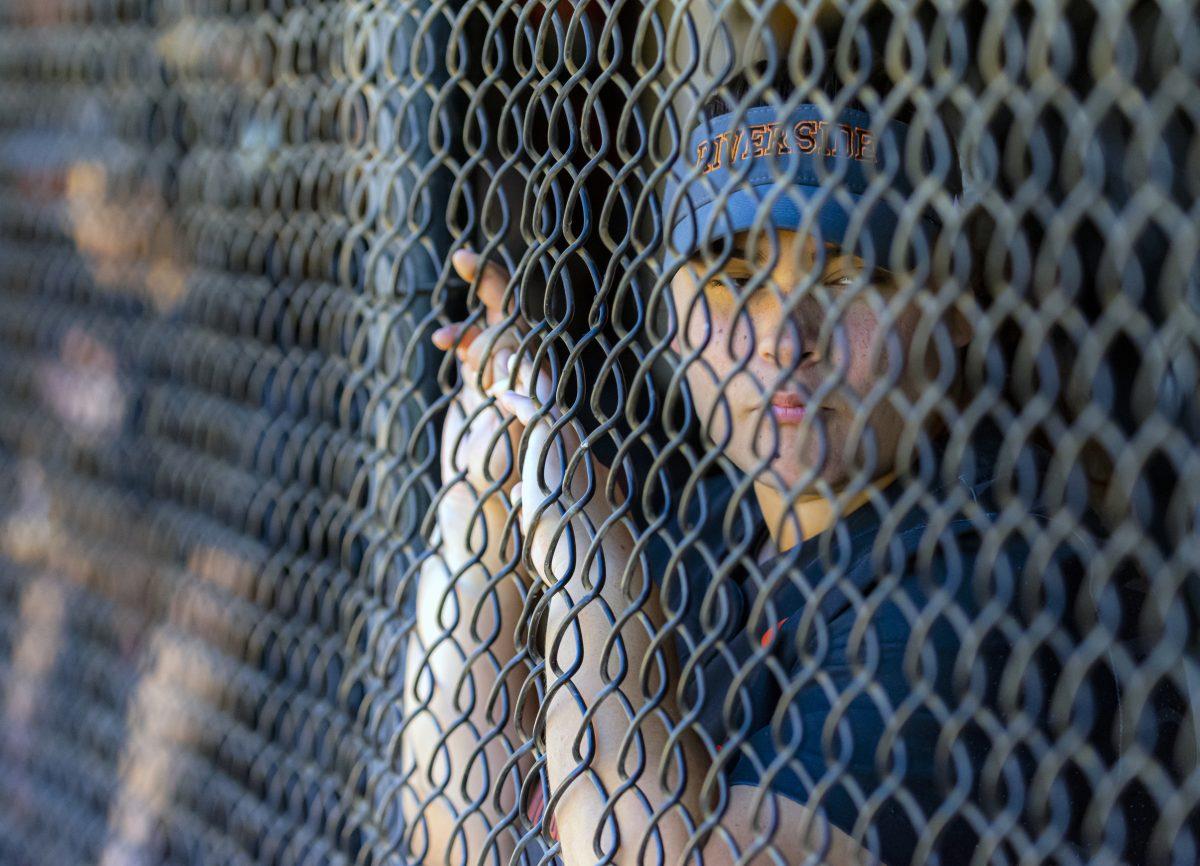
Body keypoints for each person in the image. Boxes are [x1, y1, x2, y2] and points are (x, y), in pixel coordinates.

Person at [401, 73, 1087, 866]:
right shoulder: (700, 533)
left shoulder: (973, 591)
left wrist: (587, 550)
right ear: (671, 307)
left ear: (952, 304)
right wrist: (484, 485)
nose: (787, 343)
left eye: (844, 277)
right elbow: (453, 829)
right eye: (734, 282)